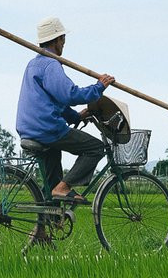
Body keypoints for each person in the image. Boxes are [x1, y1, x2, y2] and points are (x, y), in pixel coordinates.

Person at [16, 16, 115, 204]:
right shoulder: (51, 64)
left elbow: (53, 101)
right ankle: (64, 187)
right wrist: (98, 87)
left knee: (51, 183)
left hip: (31, 128)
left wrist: (75, 116)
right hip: (47, 129)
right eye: (63, 40)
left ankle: (43, 228)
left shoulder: (34, 64)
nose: (64, 44)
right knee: (96, 148)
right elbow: (69, 94)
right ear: (57, 40)